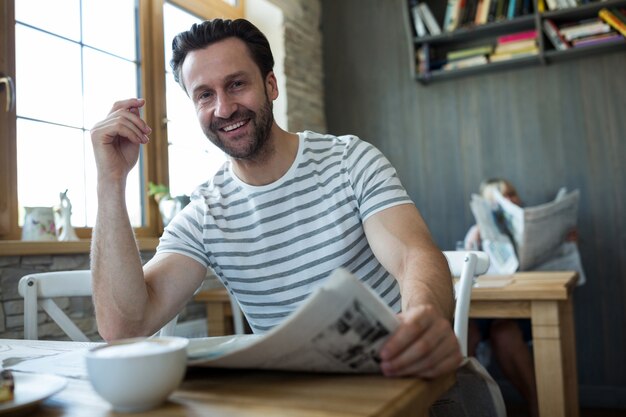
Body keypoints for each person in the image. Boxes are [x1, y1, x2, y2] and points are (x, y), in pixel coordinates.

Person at [89, 18, 461, 379]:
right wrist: (111, 179)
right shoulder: (205, 214)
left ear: (271, 85)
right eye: (205, 95)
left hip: (397, 375)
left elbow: (414, 254)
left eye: (236, 84)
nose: (223, 108)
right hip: (295, 399)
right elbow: (125, 327)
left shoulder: (350, 160)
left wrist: (422, 319)